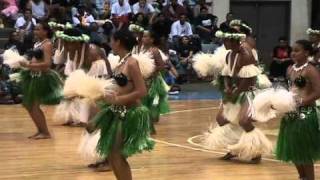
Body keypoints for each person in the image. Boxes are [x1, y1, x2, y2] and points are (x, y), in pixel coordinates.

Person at [88, 29, 154, 180]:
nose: (110, 43)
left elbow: (142, 91)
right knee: (111, 155)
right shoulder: (121, 62)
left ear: (118, 42)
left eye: (111, 40)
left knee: (117, 155)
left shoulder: (131, 63)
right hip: (117, 112)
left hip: (129, 113)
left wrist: (118, 100)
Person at [202, 27, 272, 163]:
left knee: (244, 121)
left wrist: (235, 92)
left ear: (234, 41)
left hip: (248, 92)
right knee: (221, 119)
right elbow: (227, 74)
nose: (224, 43)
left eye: (226, 41)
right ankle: (234, 149)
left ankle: (256, 151)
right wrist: (228, 88)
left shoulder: (246, 55)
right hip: (235, 90)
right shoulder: (229, 54)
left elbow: (249, 79)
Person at [276, 40, 320, 180]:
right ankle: (302, 177)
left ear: (306, 53)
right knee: (293, 147)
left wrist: (302, 102)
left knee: (304, 150)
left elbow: (318, 91)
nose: (293, 53)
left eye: (297, 50)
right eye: (292, 50)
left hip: (305, 114)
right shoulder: (290, 69)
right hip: (290, 113)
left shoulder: (311, 70)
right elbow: (290, 89)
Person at [19, 22, 63, 139]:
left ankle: (45, 132)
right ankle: (40, 130)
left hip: (41, 77)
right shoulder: (38, 43)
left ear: (45, 31)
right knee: (29, 105)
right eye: (35, 29)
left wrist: (29, 65)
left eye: (38, 29)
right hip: (33, 76)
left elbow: (47, 64)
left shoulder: (47, 44)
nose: (35, 31)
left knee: (34, 106)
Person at [140, 30, 170, 134]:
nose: (143, 38)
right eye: (142, 36)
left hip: (152, 82)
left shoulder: (155, 51)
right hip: (142, 81)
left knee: (151, 104)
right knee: (142, 104)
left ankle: (150, 127)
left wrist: (151, 72)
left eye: (145, 36)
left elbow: (161, 66)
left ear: (151, 39)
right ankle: (145, 127)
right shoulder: (141, 50)